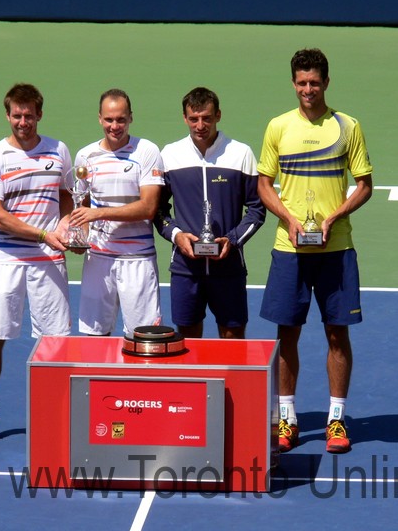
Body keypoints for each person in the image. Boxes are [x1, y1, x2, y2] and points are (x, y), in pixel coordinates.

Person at [257, 49, 373, 454]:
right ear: (293, 83)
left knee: (336, 334)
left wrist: (334, 216)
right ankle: (287, 419)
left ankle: (336, 421)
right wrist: (289, 220)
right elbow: (264, 185)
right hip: (289, 249)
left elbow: (364, 185)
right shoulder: (278, 127)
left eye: (315, 82)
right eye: (302, 82)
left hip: (335, 247)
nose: (308, 89)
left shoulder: (348, 126)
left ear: (326, 82)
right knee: (286, 333)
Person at [0, 83, 74, 445]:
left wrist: (67, 229)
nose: (23, 122)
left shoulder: (59, 151)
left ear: (39, 114)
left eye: (29, 115)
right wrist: (44, 235)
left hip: (49, 263)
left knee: (56, 342)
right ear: (8, 115)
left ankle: (58, 415)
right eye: (17, 115)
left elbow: (66, 195)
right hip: (6, 261)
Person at [156, 87, 265, 339]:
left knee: (232, 342)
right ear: (185, 118)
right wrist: (176, 236)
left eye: (206, 117)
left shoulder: (241, 153)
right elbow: (158, 211)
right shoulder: (170, 155)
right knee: (188, 342)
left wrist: (233, 240)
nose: (200, 125)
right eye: (193, 118)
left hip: (228, 269)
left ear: (218, 115)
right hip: (186, 269)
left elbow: (257, 209)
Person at [71, 89, 164, 335]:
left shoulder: (147, 151)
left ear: (131, 118)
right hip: (98, 260)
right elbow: (82, 203)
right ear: (100, 118)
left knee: (143, 339)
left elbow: (149, 207)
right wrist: (80, 238)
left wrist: (99, 214)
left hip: (138, 259)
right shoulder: (85, 156)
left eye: (121, 119)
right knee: (94, 339)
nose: (115, 126)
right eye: (109, 119)